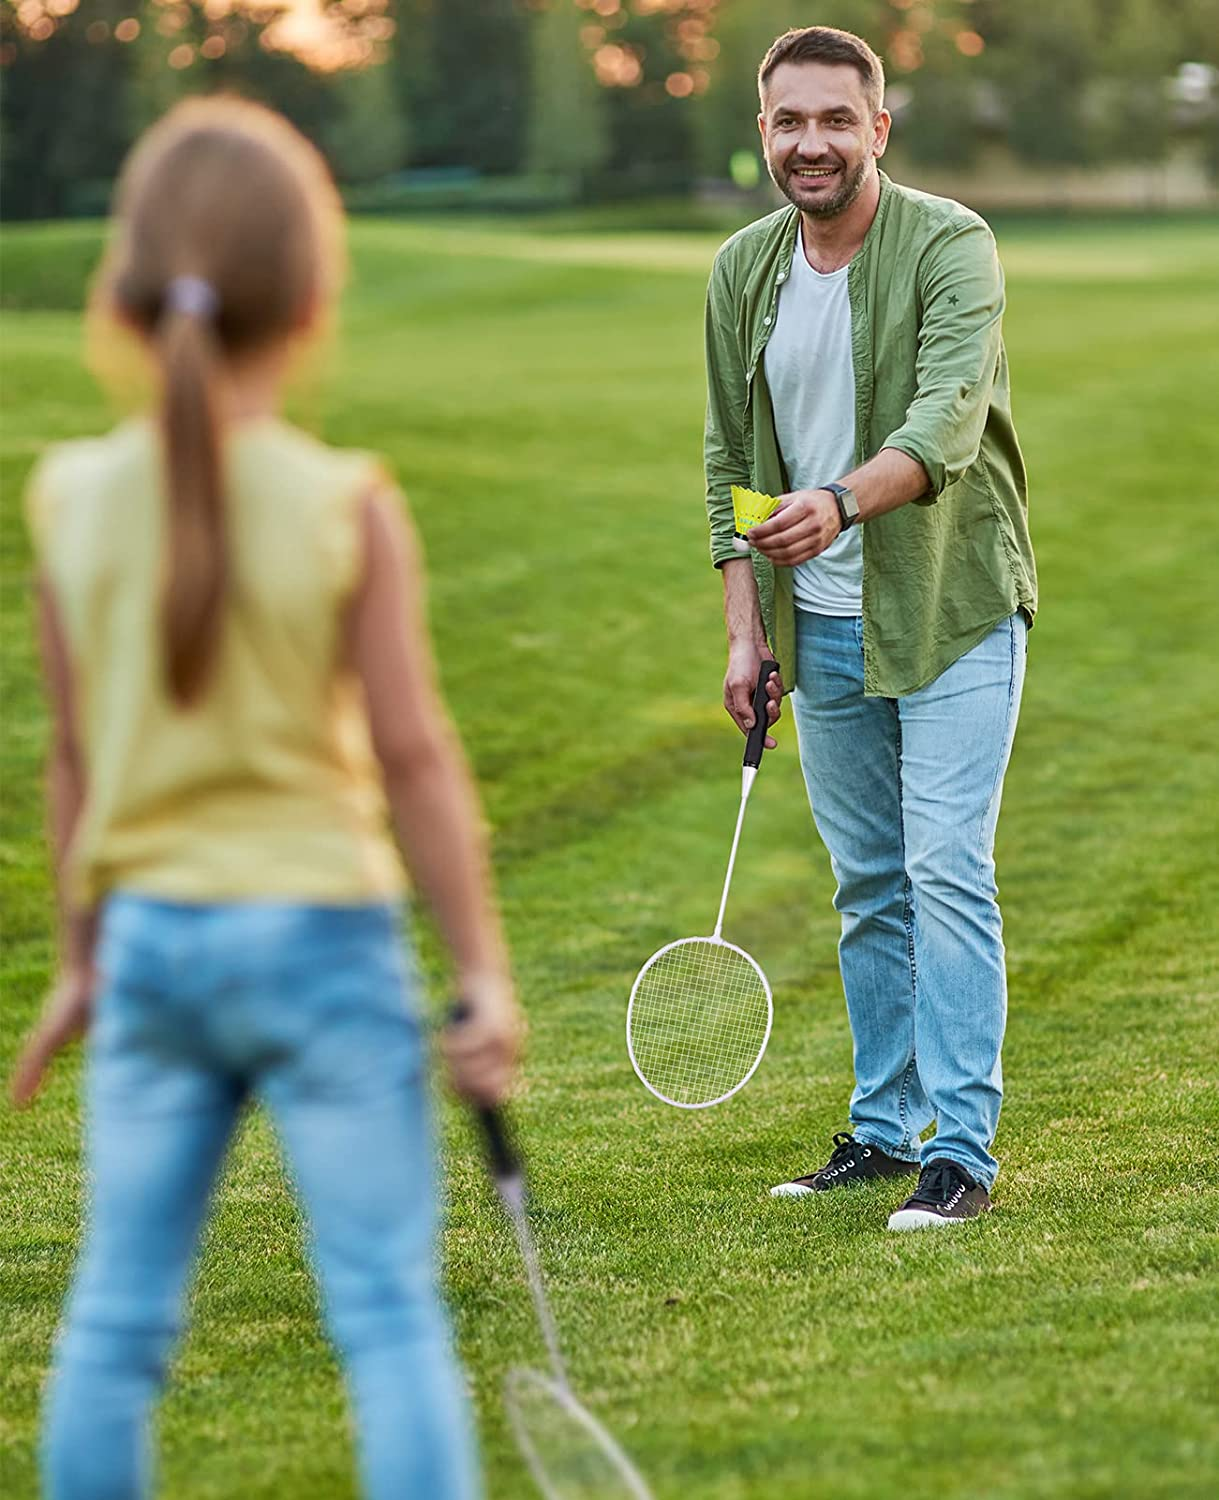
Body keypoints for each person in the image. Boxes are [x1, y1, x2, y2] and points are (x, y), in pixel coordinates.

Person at [10, 98, 521, 1497]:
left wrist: (79, 959)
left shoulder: (68, 499)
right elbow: (414, 759)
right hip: (321, 940)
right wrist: (480, 974)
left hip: (154, 948)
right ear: (308, 303)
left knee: (114, 1330)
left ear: (123, 295)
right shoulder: (344, 502)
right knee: (386, 1315)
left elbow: (75, 761)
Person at [705, 27, 1037, 1229]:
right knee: (868, 887)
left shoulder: (950, 244)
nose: (812, 142)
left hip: (950, 608)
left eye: (836, 119)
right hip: (820, 627)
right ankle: (887, 1131)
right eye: (790, 120)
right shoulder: (742, 270)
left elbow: (948, 420)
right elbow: (730, 460)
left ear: (877, 130)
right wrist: (747, 630)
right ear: (763, 133)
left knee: (945, 869)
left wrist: (840, 502)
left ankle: (961, 1153)